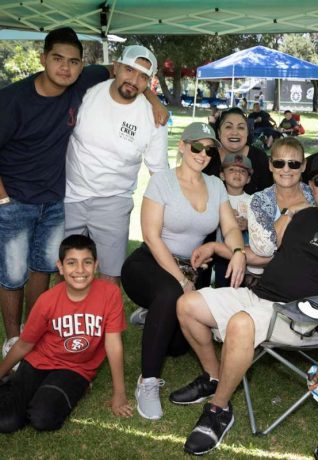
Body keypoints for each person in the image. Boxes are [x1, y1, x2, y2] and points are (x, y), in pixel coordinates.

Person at [171, 151, 318, 455]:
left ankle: (219, 409)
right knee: (187, 304)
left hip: (299, 315)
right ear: (312, 185)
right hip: (260, 293)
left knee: (242, 323)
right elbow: (265, 257)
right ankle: (215, 378)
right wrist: (221, 247)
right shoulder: (303, 216)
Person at [0, 28, 168, 363]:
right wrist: (3, 198)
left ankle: (50, 332)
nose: (65, 68)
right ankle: (13, 338)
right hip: (38, 198)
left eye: (73, 62)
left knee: (46, 268)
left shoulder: (88, 82)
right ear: (43, 58)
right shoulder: (20, 98)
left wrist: (153, 99)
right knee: (15, 273)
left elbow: (123, 74)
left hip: (66, 199)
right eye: (58, 59)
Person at [120, 122, 246, 421]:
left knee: (176, 346)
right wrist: (180, 280)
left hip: (191, 269)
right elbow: (150, 236)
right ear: (182, 146)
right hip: (149, 263)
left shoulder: (215, 186)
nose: (203, 154)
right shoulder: (162, 181)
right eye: (196, 147)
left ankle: (152, 314)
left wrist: (238, 251)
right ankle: (147, 382)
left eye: (209, 149)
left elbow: (228, 227)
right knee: (169, 293)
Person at [0, 234, 131, 433]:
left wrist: (119, 394)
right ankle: (13, 385)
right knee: (7, 422)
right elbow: (24, 344)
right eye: (71, 263)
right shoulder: (47, 300)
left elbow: (113, 344)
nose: (80, 270)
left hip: (76, 368)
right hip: (39, 362)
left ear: (96, 266)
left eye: (87, 262)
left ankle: (67, 390)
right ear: (60, 267)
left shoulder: (110, 294)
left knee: (43, 418)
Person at [64, 45, 169, 286]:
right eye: (129, 70)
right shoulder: (87, 93)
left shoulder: (154, 119)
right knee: (68, 271)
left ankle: (103, 324)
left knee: (110, 276)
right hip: (70, 195)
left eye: (143, 76)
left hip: (114, 202)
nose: (134, 80)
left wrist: (161, 220)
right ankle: (67, 322)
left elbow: (158, 173)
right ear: (116, 67)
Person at [204, 107, 273, 195]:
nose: (235, 132)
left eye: (240, 127)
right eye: (228, 127)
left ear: (247, 132)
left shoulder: (260, 159)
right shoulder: (207, 155)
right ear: (219, 133)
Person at [214, 153, 253, 288]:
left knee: (242, 287)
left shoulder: (253, 200)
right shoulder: (217, 198)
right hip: (222, 255)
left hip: (247, 255)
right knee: (223, 286)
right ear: (222, 175)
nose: (237, 174)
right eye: (232, 170)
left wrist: (247, 224)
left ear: (248, 179)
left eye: (243, 171)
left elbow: (260, 227)